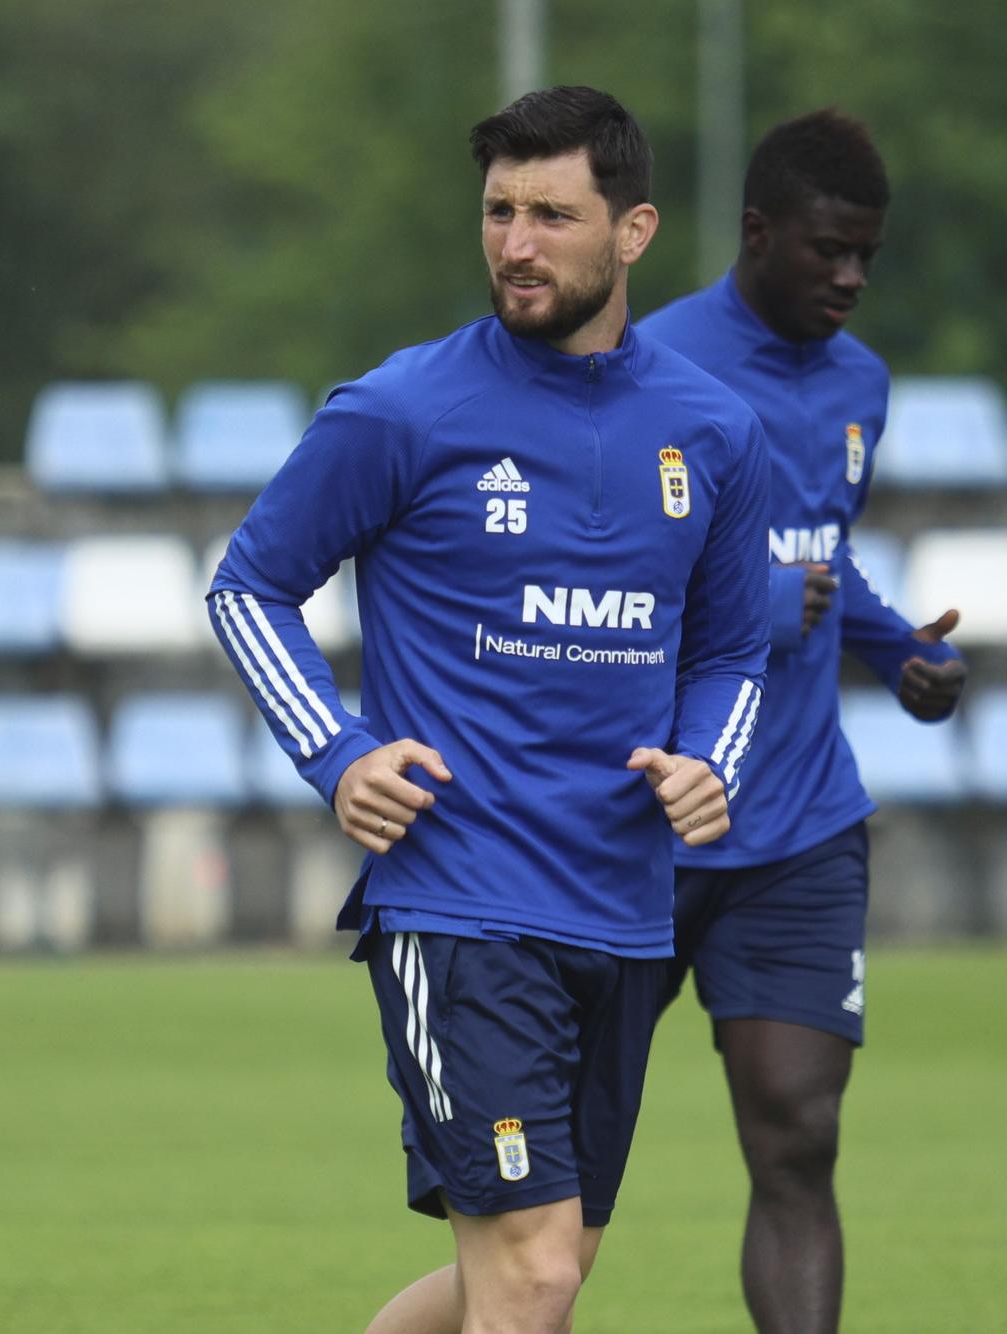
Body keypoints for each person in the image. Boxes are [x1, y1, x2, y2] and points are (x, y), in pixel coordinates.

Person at [209, 86, 772, 1333]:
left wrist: (705, 762)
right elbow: (247, 586)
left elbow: (734, 648)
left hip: (623, 911)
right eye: (497, 211)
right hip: (460, 901)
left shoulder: (714, 431)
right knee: (525, 1279)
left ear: (630, 232)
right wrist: (334, 750)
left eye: (551, 215)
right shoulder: (399, 409)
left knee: (535, 1274)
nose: (515, 243)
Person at [637, 109, 965, 1334]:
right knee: (565, 1157)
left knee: (799, 1133)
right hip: (648, 814)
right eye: (827, 249)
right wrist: (759, 602)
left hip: (799, 821)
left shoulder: (858, 384)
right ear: (755, 231)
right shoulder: (647, 368)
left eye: (865, 255)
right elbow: (587, 582)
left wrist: (898, 655)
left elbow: (826, 557)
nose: (849, 278)